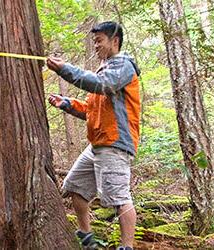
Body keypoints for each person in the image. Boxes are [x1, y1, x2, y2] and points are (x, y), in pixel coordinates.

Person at [46, 21, 141, 250]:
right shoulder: (106, 69)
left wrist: (64, 69)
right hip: (97, 144)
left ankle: (126, 247)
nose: (96, 46)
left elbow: (101, 85)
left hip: (115, 143)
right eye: (94, 41)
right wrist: (67, 104)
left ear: (114, 41)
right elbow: (92, 109)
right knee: (75, 187)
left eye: (99, 41)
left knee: (119, 198)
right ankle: (87, 238)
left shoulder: (124, 67)